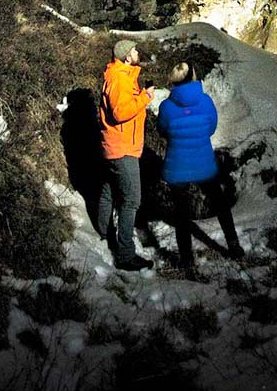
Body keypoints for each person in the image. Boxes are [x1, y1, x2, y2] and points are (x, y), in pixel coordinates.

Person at [157, 62, 243, 274]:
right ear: (193, 77)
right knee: (220, 204)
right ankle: (234, 246)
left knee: (182, 215)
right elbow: (211, 127)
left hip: (177, 166)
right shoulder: (205, 101)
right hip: (204, 163)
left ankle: (187, 261)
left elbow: (162, 130)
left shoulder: (167, 107)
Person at [97, 39, 155, 271]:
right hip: (123, 148)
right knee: (131, 200)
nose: (137, 52)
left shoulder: (121, 75)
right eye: (134, 50)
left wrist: (139, 94)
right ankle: (125, 255)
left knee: (109, 191)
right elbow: (120, 112)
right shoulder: (119, 78)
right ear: (126, 56)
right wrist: (145, 98)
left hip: (115, 145)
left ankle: (103, 232)